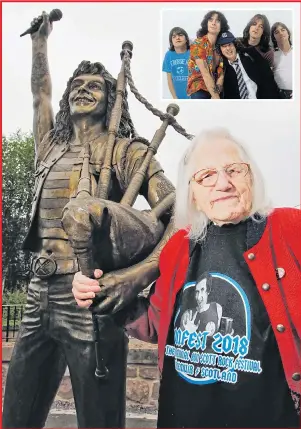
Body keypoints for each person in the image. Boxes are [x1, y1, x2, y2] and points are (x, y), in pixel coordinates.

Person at [2, 10, 179, 429]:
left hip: (91, 298)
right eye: (77, 87)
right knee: (16, 417)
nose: (83, 91)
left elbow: (179, 216)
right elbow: (38, 95)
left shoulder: (126, 151)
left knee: (100, 422)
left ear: (112, 97)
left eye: (95, 86)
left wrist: (136, 277)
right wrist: (39, 44)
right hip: (37, 293)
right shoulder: (50, 148)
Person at [73, 128, 301, 428]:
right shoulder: (180, 245)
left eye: (234, 170)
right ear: (192, 191)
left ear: (251, 177)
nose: (224, 183)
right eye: (206, 175)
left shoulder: (290, 229)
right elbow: (156, 323)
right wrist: (98, 293)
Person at [217, 31, 280, 99]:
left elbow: (268, 77)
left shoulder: (251, 56)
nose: (228, 48)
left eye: (230, 44)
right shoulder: (222, 68)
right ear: (220, 50)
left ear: (235, 45)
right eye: (224, 46)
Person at [187, 11, 229, 99]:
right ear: (206, 24)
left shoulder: (221, 45)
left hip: (215, 86)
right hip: (199, 86)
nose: (213, 23)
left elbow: (221, 73)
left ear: (222, 26)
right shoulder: (198, 43)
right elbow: (205, 74)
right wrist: (216, 98)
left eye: (218, 21)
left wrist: (217, 91)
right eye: (210, 20)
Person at [162, 27, 190, 99]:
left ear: (186, 39)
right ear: (171, 41)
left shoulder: (193, 52)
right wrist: (174, 97)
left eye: (180, 35)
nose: (177, 38)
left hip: (194, 96)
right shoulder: (168, 55)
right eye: (174, 37)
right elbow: (169, 79)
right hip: (178, 97)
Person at [271, 22, 293, 99]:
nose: (280, 33)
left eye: (283, 30)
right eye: (276, 32)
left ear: (288, 33)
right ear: (273, 38)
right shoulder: (272, 55)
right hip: (279, 94)